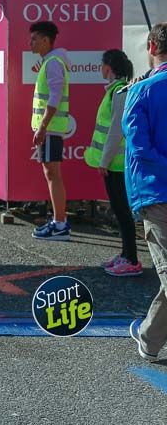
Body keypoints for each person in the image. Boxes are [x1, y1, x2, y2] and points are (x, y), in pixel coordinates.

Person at [125, 24, 167, 360]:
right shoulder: (144, 89)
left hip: (154, 193)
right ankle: (149, 339)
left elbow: (139, 147)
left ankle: (149, 338)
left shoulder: (141, 90)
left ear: (151, 45)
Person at [84, 49, 141, 276]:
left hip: (116, 164)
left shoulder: (119, 92)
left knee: (122, 211)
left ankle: (132, 260)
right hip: (115, 164)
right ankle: (125, 254)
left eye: (102, 64)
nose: (100, 68)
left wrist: (105, 160)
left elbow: (116, 130)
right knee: (119, 211)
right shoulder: (116, 91)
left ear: (108, 66)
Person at [28, 21, 72, 241]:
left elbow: (54, 99)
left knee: (53, 174)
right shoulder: (50, 61)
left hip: (52, 129)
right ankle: (59, 221)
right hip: (51, 129)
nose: (31, 42)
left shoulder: (53, 62)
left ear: (46, 40)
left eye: (35, 38)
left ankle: (61, 224)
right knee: (51, 173)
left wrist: (43, 127)